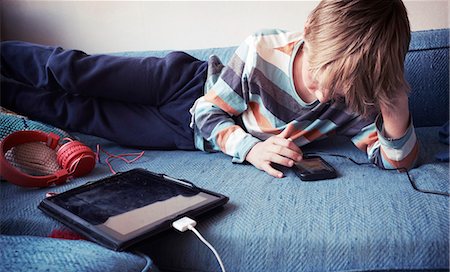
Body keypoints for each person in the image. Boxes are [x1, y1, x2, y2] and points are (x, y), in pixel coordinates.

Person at [1, 0, 417, 178]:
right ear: (308, 34)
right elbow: (207, 109)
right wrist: (252, 149)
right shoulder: (265, 47)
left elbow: (394, 159)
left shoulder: (355, 100)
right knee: (72, 71)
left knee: (78, 115)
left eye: (349, 87)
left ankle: (8, 96)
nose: (330, 94)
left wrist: (395, 107)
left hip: (187, 136)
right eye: (325, 73)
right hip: (185, 84)